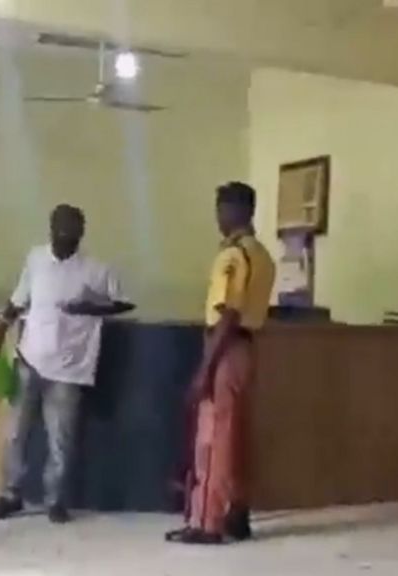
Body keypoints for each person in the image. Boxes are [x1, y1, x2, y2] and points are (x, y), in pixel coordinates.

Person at [0, 204, 134, 524]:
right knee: (14, 434)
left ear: (82, 233)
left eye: (74, 231)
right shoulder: (35, 259)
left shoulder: (96, 270)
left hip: (69, 368)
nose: (68, 236)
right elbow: (19, 298)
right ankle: (10, 495)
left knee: (60, 440)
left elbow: (123, 304)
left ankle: (55, 501)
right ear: (51, 229)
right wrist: (1, 328)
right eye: (62, 230)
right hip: (29, 359)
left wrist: (90, 309)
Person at [166, 181, 276, 545]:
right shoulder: (261, 254)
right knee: (237, 435)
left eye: (221, 209)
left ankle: (207, 522)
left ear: (236, 210)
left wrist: (205, 369)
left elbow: (228, 313)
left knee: (214, 438)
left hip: (225, 347)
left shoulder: (232, 255)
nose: (218, 217)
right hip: (247, 348)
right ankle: (237, 514)